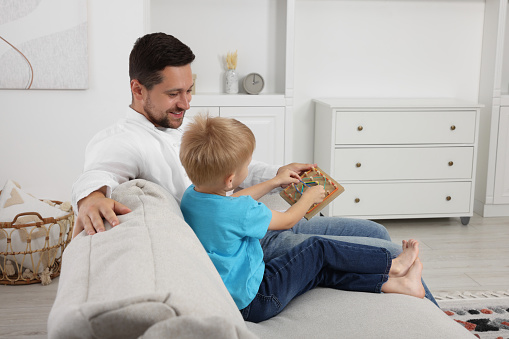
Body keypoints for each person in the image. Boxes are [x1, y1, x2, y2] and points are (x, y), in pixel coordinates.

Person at [71, 32, 438, 306]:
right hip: (243, 243)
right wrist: (89, 198)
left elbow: (229, 171)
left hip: (246, 225)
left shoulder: (176, 129)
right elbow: (98, 169)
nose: (186, 103)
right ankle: (429, 313)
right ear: (138, 90)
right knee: (389, 252)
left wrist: (278, 174)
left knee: (373, 230)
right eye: (173, 94)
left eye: (190, 89)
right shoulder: (122, 139)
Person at [179, 115, 426, 322]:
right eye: (247, 164)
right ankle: (392, 266)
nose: (249, 167)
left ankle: (397, 285)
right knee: (317, 248)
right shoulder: (240, 211)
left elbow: (234, 199)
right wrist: (308, 198)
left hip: (243, 295)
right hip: (259, 297)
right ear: (230, 179)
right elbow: (287, 221)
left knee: (320, 271)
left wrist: (274, 181)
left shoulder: (192, 196)